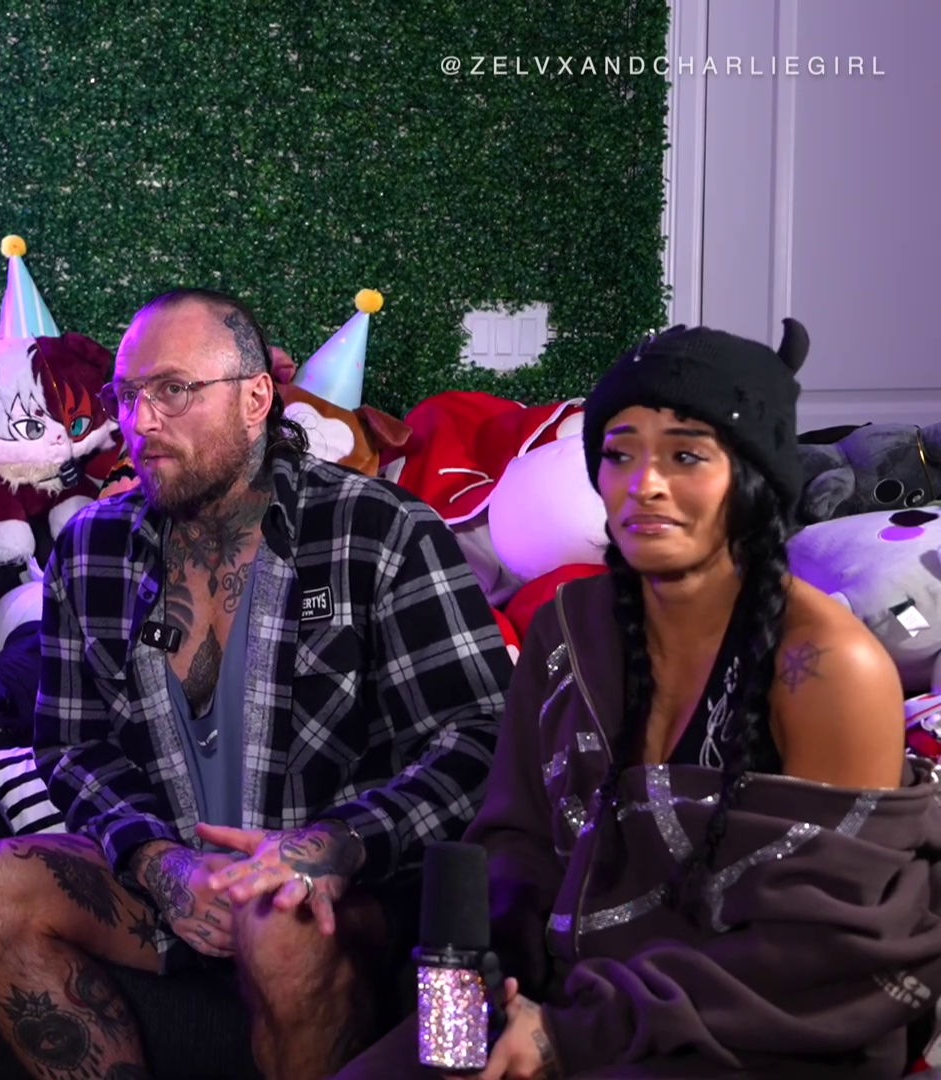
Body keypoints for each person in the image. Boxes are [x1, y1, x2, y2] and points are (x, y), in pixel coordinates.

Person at [333, 320, 941, 1080]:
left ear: (756, 476)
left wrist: (569, 1036)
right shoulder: (566, 629)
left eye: (686, 455)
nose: (643, 483)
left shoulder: (826, 666)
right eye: (619, 453)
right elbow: (515, 838)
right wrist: (488, 988)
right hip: (566, 998)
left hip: (758, 1029)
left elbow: (816, 950)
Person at [0, 290, 514, 1080]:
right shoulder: (92, 547)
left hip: (337, 889)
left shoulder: (379, 529)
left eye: (174, 390)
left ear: (255, 399)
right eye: (126, 395)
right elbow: (72, 745)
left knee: (276, 921)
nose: (141, 422)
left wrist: (331, 846)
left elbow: (479, 735)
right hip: (175, 878)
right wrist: (158, 862)